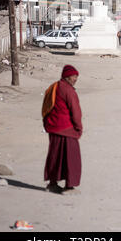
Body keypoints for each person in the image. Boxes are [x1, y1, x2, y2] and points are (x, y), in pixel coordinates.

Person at [42, 64, 83, 194]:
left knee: (55, 157)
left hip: (53, 127)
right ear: (66, 76)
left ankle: (52, 184)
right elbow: (76, 112)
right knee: (71, 159)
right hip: (66, 129)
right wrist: (78, 128)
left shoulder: (55, 87)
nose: (75, 79)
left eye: (76, 76)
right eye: (73, 76)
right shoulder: (69, 91)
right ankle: (69, 187)